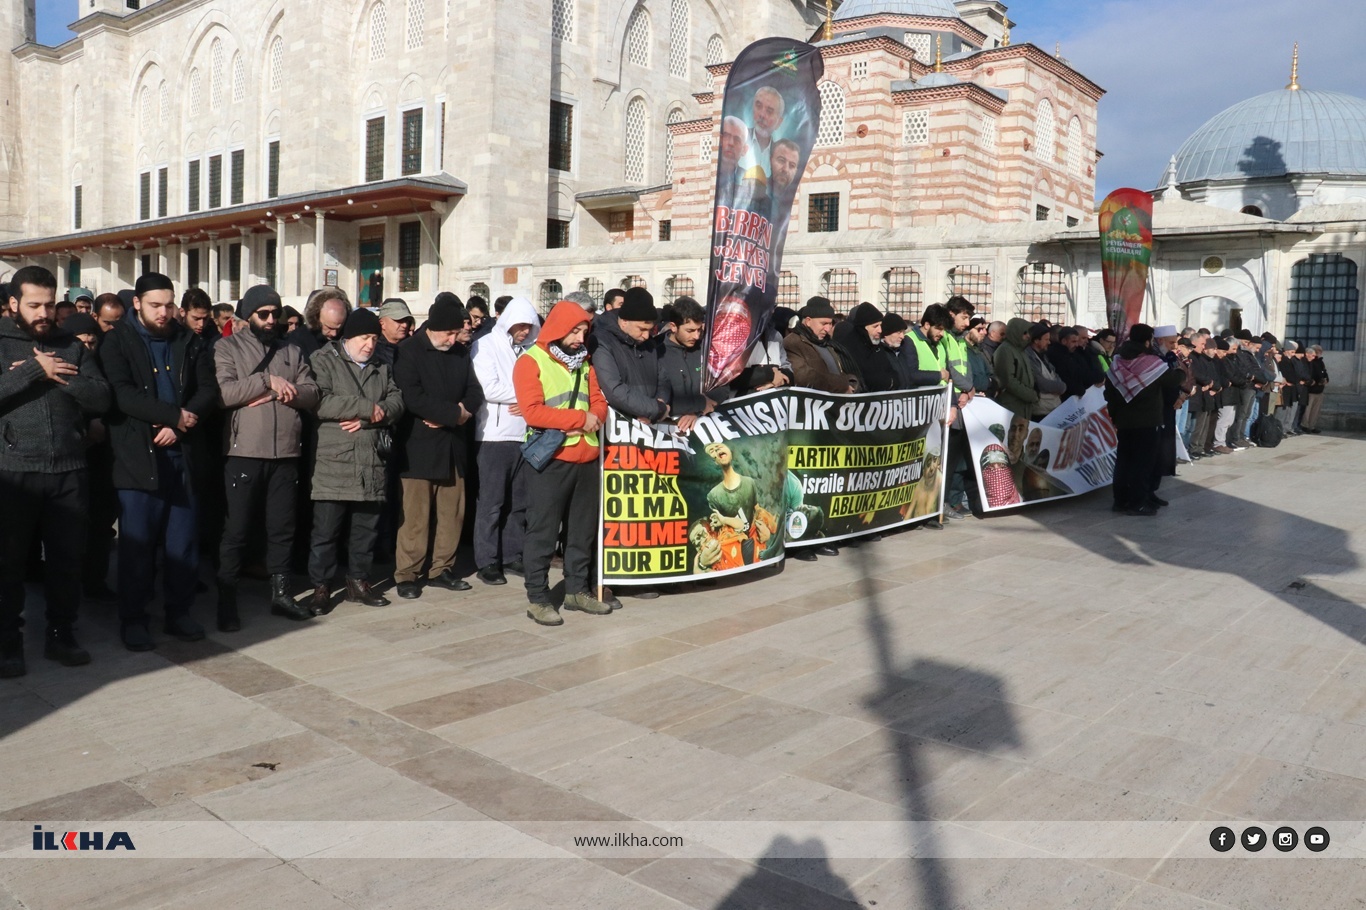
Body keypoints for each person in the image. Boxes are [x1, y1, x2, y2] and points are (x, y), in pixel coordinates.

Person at [0, 266, 112, 677]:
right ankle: (8, 641)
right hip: (12, 471)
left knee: (66, 561)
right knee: (9, 564)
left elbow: (101, 398)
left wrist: (62, 377)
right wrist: (35, 370)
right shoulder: (1, 342)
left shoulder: (71, 344)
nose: (44, 313)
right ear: (13, 304)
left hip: (69, 470)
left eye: (49, 304)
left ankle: (61, 633)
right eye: (33, 305)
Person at [99, 272, 219, 651]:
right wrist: (173, 415)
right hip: (138, 457)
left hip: (180, 453)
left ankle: (179, 612)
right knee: (137, 546)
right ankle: (134, 618)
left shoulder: (188, 339)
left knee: (181, 543)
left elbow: (207, 390)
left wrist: (181, 425)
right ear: (137, 304)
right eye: (156, 305)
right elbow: (122, 395)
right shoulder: (117, 341)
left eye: (169, 305)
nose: (164, 313)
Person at [214, 285, 321, 630]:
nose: (272, 319)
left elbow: (312, 392)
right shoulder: (226, 347)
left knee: (282, 528)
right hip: (244, 451)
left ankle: (281, 594)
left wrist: (284, 393)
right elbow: (224, 393)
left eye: (276, 313)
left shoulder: (292, 350)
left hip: (286, 451)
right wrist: (266, 380)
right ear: (249, 315)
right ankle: (227, 599)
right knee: (237, 529)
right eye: (264, 314)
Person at [513, 299, 613, 626]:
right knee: (542, 532)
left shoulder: (585, 362)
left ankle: (576, 590)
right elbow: (533, 411)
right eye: (575, 330)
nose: (580, 338)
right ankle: (538, 598)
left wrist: (593, 416)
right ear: (558, 328)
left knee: (582, 531)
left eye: (584, 331)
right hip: (551, 461)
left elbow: (599, 401)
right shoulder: (531, 361)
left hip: (586, 458)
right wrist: (579, 419)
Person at [305, 307, 404, 614]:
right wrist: (365, 406)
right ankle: (320, 586)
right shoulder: (324, 360)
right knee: (326, 531)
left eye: (374, 338)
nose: (370, 344)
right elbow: (320, 401)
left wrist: (371, 419)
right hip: (334, 461)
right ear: (348, 337)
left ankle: (358, 582)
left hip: (371, 460)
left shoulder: (380, 366)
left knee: (366, 528)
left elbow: (396, 401)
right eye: (364, 337)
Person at [392, 294, 483, 599]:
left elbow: (474, 391)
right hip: (418, 448)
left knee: (451, 513)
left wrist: (457, 416)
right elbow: (412, 396)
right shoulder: (409, 351)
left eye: (457, 333)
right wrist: (451, 414)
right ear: (435, 328)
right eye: (450, 332)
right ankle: (408, 573)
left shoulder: (458, 353)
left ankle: (442, 568)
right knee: (415, 517)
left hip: (452, 445)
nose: (454, 338)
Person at [470, 296, 541, 586]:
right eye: (520, 325)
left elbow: (540, 385)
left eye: (529, 326)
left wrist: (527, 402)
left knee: (519, 502)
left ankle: (513, 554)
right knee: (491, 502)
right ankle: (487, 561)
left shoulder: (531, 350)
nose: (524, 331)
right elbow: (490, 387)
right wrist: (527, 398)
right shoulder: (485, 345)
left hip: (523, 432)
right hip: (494, 436)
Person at [1104, 324, 1185, 516]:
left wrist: (1114, 415)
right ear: (1148, 340)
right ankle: (1138, 502)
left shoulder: (1117, 360)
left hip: (1124, 420)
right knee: (1142, 463)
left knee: (1123, 461)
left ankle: (1120, 500)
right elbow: (1172, 380)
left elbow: (1110, 391)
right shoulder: (1152, 362)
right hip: (1147, 421)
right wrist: (1182, 371)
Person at [592, 287, 670, 424]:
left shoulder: (649, 343)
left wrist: (660, 406)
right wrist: (655, 409)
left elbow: (662, 379)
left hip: (651, 422)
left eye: (650, 330)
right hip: (620, 427)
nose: (646, 336)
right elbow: (614, 389)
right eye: (642, 329)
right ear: (624, 322)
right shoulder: (602, 341)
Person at [656, 296, 713, 434]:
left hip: (705, 423)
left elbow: (721, 386)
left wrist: (697, 412)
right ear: (673, 326)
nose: (696, 336)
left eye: (699, 330)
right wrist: (698, 404)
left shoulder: (705, 349)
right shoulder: (656, 353)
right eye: (690, 331)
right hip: (669, 430)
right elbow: (657, 399)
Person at [784, 297, 859, 394]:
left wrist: (852, 382)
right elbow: (805, 377)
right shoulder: (793, 342)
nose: (827, 329)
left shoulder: (829, 343)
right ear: (808, 321)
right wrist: (843, 385)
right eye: (824, 323)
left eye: (830, 323)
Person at [833, 302, 896, 392]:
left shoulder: (877, 346)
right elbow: (862, 379)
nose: (880, 330)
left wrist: (890, 382)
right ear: (864, 328)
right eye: (875, 326)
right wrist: (883, 382)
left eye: (880, 325)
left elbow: (892, 372)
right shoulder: (849, 347)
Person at [286, 287, 351, 361]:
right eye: (329, 327)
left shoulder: (347, 338)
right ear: (316, 318)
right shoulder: (298, 338)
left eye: (339, 328)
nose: (334, 334)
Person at [1025, 322, 1066, 418]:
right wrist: (1061, 387)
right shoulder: (1029, 357)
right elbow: (1040, 383)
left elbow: (1054, 374)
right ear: (1036, 340)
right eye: (1046, 339)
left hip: (1053, 407)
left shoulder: (1043, 355)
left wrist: (1061, 386)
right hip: (1040, 410)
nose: (1049, 342)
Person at [375, 297, 415, 365]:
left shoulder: (414, 348)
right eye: (399, 320)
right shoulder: (373, 351)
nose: (404, 325)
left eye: (406, 320)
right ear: (382, 324)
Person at [1301, 344, 1328, 433]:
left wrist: (1325, 379)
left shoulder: (1321, 362)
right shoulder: (1310, 362)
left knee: (1315, 410)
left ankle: (1312, 426)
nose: (1320, 353)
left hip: (1319, 390)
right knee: (1307, 410)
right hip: (1311, 390)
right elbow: (1310, 373)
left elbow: (1324, 372)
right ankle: (1305, 425)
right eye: (1318, 351)